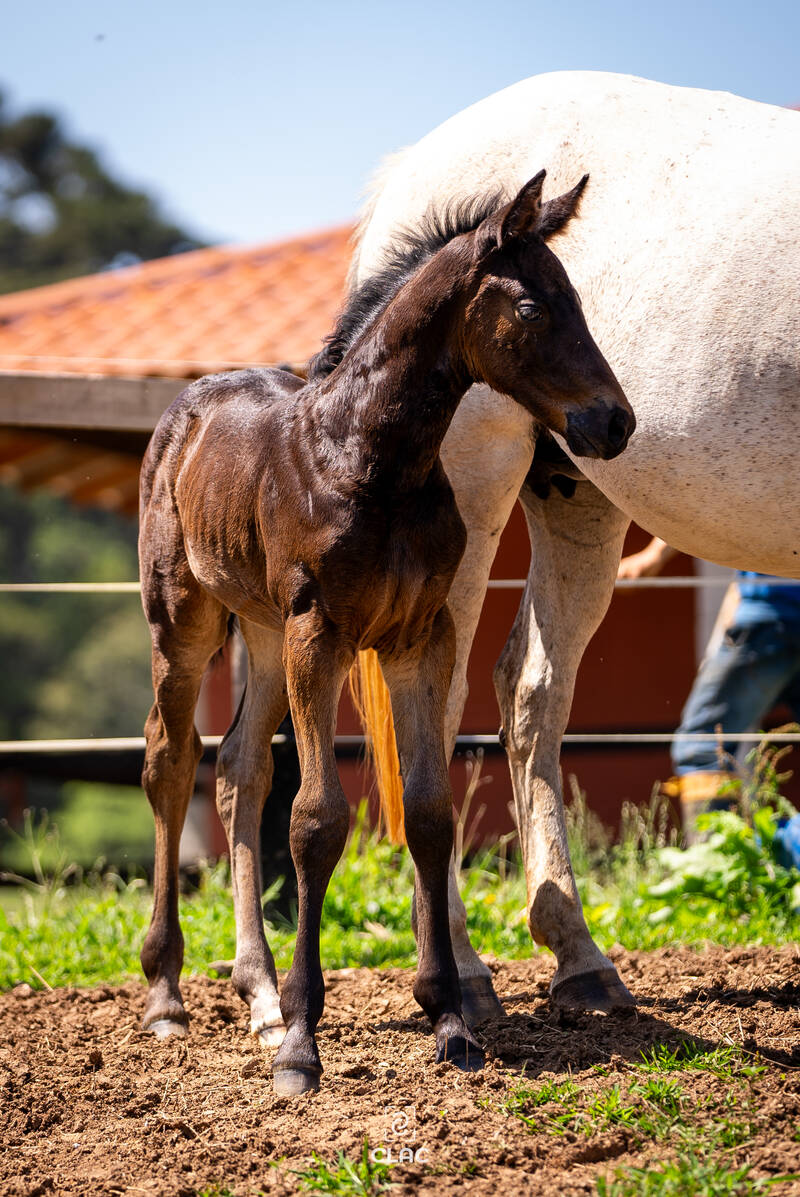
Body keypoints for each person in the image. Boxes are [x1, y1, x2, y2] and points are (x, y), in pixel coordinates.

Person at [618, 538, 800, 843]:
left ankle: (720, 871)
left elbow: (711, 492)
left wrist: (653, 555)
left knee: (701, 748)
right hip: (766, 610)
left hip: (772, 612)